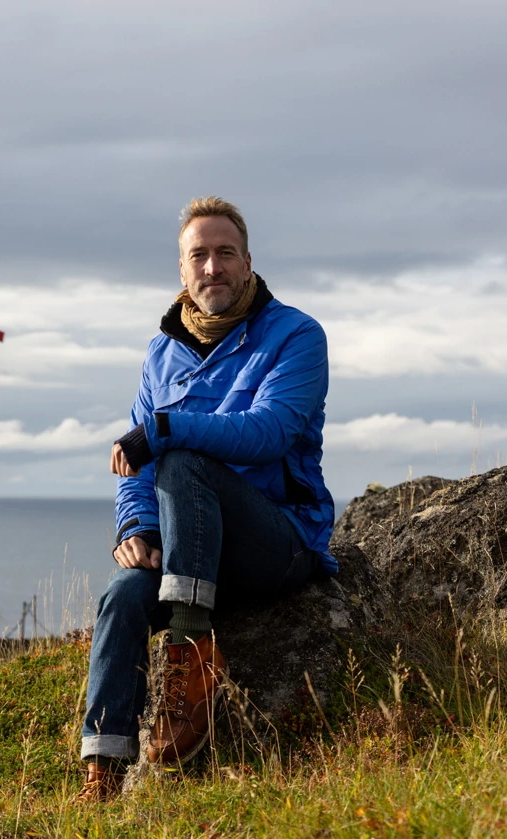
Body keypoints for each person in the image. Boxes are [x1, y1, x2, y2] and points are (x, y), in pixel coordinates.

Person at [76, 196, 338, 802]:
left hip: (277, 541)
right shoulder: (160, 351)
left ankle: (188, 654)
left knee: (184, 454)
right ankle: (103, 770)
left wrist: (168, 432)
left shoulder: (296, 335)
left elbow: (272, 431)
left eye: (225, 253)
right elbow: (139, 467)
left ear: (248, 262)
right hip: (192, 544)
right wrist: (135, 526)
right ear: (182, 270)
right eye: (200, 255)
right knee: (123, 594)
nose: (213, 267)